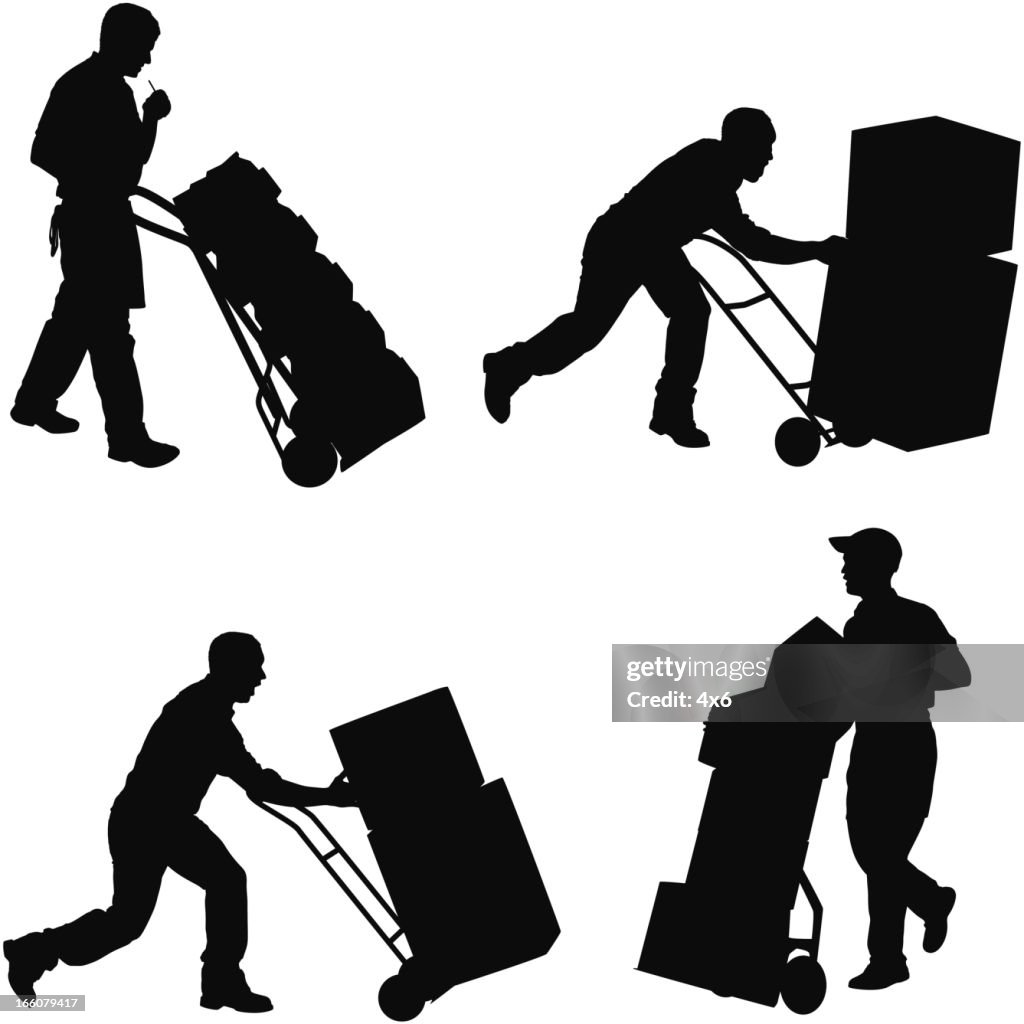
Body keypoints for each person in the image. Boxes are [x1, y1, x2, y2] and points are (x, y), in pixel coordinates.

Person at [3, 633, 355, 1012]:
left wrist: (319, 796)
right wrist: (328, 797)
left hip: (147, 820)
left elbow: (257, 783)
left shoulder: (204, 709)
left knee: (129, 920)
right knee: (221, 884)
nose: (262, 676)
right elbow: (260, 785)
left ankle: (34, 951)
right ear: (230, 668)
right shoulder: (206, 718)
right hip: (154, 822)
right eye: (255, 666)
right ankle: (221, 981)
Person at [483, 108, 845, 446]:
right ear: (742, 143)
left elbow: (750, 240)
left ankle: (668, 410)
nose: (769, 157)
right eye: (764, 146)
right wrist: (815, 250)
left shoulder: (719, 174)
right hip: (624, 240)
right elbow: (753, 243)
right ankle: (511, 366)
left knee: (677, 313)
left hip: (649, 245)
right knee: (592, 329)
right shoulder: (712, 166)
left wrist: (813, 250)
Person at [10, 4, 178, 468]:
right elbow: (42, 152)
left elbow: (129, 163)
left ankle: (33, 403)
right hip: (94, 222)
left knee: (76, 322)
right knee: (109, 334)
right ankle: (126, 437)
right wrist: (94, 179)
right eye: (144, 48)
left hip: (102, 219)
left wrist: (150, 120)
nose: (146, 60)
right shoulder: (83, 84)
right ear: (120, 40)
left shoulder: (111, 89)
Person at [831, 529, 969, 990]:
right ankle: (915, 923)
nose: (844, 568)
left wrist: (902, 679)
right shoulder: (855, 626)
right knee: (876, 854)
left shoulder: (916, 617)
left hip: (906, 746)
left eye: (852, 560)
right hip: (870, 746)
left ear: (880, 566)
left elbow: (959, 673)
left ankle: (893, 951)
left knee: (880, 854)